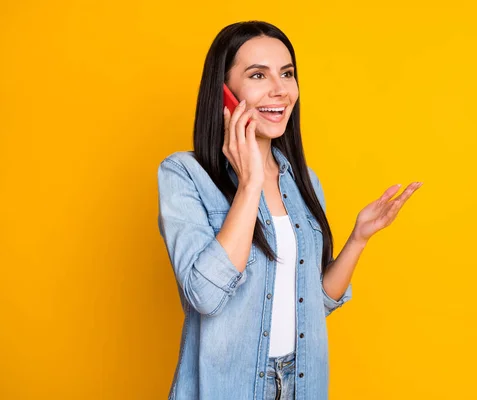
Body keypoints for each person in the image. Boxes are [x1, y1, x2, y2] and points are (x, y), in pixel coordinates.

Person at [157, 20, 423, 400]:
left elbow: (316, 301)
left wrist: (358, 239)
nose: (280, 90)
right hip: (228, 386)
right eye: (258, 75)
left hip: (302, 383)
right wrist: (248, 185)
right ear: (224, 93)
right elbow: (205, 296)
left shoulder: (304, 181)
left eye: (287, 74)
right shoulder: (184, 174)